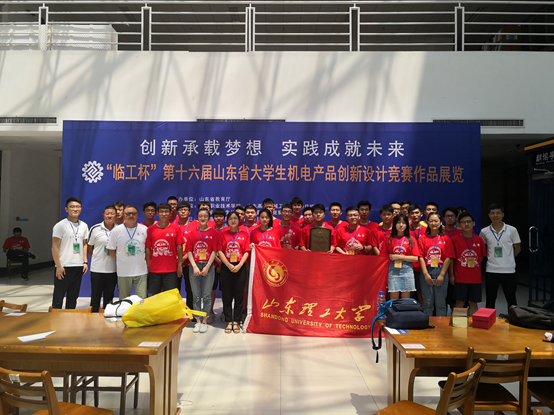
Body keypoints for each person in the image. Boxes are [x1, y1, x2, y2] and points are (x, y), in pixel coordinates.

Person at [479, 203, 521, 312]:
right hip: (491, 270)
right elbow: (483, 249)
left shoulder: (512, 230)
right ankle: (489, 320)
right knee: (490, 299)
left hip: (509, 270)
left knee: (511, 299)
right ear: (489, 215)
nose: (495, 215)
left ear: (503, 214)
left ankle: (514, 320)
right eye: (492, 213)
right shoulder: (484, 231)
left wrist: (509, 258)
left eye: (498, 213)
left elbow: (517, 248)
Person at [51, 197, 89, 309]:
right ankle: (55, 319)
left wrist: (85, 262)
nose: (75, 209)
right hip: (64, 266)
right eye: (72, 207)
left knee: (73, 297)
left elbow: (85, 244)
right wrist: (58, 266)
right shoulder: (60, 225)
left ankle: (70, 318)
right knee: (58, 297)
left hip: (78, 266)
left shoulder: (84, 226)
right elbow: (54, 246)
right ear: (66, 209)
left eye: (78, 207)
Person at [218, 211, 250, 333]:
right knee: (227, 295)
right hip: (227, 266)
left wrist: (240, 265)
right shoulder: (223, 234)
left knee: (239, 295)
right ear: (227, 221)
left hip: (240, 266)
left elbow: (246, 251)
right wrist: (228, 264)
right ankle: (228, 321)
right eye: (230, 218)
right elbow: (219, 251)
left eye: (235, 218)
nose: (233, 221)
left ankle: (236, 321)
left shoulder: (244, 235)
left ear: (239, 220)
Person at [186, 208, 218, 334]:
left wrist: (208, 266)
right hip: (194, 265)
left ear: (209, 218)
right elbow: (189, 251)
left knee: (206, 296)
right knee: (196, 296)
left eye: (205, 216)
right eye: (200, 216)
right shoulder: (191, 233)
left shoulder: (213, 232)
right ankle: (198, 321)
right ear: (197, 218)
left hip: (208, 266)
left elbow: (214, 250)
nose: (203, 218)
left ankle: (205, 321)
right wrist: (194, 266)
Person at [107, 205, 148, 299]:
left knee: (141, 300)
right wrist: (122, 258)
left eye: (133, 213)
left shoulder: (144, 229)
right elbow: (111, 250)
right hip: (123, 272)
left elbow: (147, 249)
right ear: (123, 215)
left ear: (137, 215)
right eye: (128, 214)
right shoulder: (116, 231)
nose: (131, 216)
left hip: (141, 271)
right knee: (124, 300)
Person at [418, 212, 454, 317]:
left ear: (441, 222)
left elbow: (448, 257)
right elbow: (420, 257)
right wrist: (425, 274)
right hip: (427, 270)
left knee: (440, 303)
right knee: (427, 303)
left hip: (441, 270)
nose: (434, 223)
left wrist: (442, 274)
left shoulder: (446, 238)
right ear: (427, 222)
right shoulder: (422, 238)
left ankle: (440, 326)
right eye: (431, 221)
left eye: (436, 221)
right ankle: (427, 324)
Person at [451, 212, 487, 316]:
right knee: (459, 302)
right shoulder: (455, 240)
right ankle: (458, 325)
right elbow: (452, 259)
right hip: (460, 278)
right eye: (463, 222)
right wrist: (452, 275)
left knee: (473, 303)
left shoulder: (479, 240)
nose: (466, 224)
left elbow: (481, 257)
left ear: (473, 223)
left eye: (468, 222)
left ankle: (473, 325)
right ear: (459, 224)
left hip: (475, 278)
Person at [146, 202, 184, 295]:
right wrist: (148, 265)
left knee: (170, 296)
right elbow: (148, 248)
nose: (164, 214)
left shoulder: (175, 228)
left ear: (170, 213)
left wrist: (179, 265)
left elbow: (179, 247)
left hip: (171, 269)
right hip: (154, 269)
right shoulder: (151, 229)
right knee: (155, 296)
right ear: (157, 213)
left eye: (166, 212)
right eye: (161, 212)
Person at [380, 214, 421, 299]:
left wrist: (401, 257)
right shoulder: (388, 238)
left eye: (404, 223)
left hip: (407, 270)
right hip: (392, 270)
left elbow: (415, 258)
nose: (401, 225)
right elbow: (383, 257)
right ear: (394, 224)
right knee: (394, 299)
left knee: (405, 300)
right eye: (398, 222)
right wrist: (390, 257)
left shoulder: (411, 239)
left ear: (407, 225)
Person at [87, 206, 118, 312]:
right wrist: (95, 257)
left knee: (109, 297)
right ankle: (93, 317)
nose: (109, 216)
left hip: (113, 269)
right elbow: (90, 246)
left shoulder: (119, 229)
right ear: (103, 215)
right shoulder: (95, 229)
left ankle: (107, 317)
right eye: (107, 213)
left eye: (112, 214)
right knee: (95, 296)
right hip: (97, 269)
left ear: (116, 215)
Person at [210, 208, 228, 323]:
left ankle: (225, 312)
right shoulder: (210, 231)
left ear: (224, 218)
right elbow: (210, 249)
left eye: (221, 216)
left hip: (226, 265)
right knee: (212, 289)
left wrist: (222, 264)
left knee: (225, 290)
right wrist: (218, 262)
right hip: (212, 265)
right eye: (216, 216)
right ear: (213, 218)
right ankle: (210, 312)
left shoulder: (228, 230)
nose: (218, 218)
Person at [177, 201, 194, 310]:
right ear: (177, 212)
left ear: (189, 212)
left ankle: (190, 312)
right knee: (175, 289)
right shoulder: (173, 226)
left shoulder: (194, 226)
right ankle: (176, 311)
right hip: (175, 263)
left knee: (190, 289)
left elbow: (195, 244)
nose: (183, 212)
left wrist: (183, 259)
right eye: (181, 210)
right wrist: (179, 260)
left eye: (185, 210)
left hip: (189, 262)